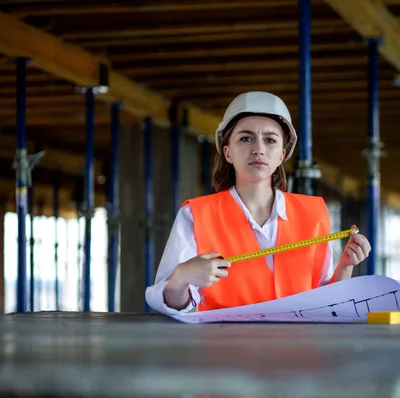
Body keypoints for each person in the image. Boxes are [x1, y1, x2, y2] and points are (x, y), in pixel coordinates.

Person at [145, 91, 371, 315]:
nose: (258, 149)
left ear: (282, 155)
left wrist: (346, 265)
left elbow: (325, 302)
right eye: (246, 138)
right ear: (228, 152)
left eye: (270, 140)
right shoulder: (196, 215)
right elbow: (172, 305)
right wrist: (181, 277)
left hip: (300, 348)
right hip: (224, 348)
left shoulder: (313, 213)